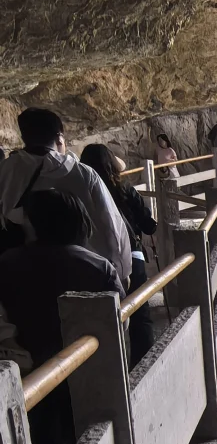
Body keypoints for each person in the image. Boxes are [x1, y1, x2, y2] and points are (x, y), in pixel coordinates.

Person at [0, 190, 124, 444]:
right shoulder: (97, 266)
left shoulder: (6, 264)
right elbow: (121, 321)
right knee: (87, 443)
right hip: (88, 373)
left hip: (28, 374)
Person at [0, 108, 130, 285]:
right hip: (84, 269)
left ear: (24, 136)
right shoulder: (82, 173)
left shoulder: (7, 170)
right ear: (59, 136)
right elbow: (111, 224)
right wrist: (122, 269)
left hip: (23, 272)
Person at [80, 144, 157, 364]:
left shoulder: (81, 190)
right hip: (131, 256)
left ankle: (110, 369)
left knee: (103, 318)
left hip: (93, 259)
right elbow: (147, 222)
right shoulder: (123, 187)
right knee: (140, 313)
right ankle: (143, 365)